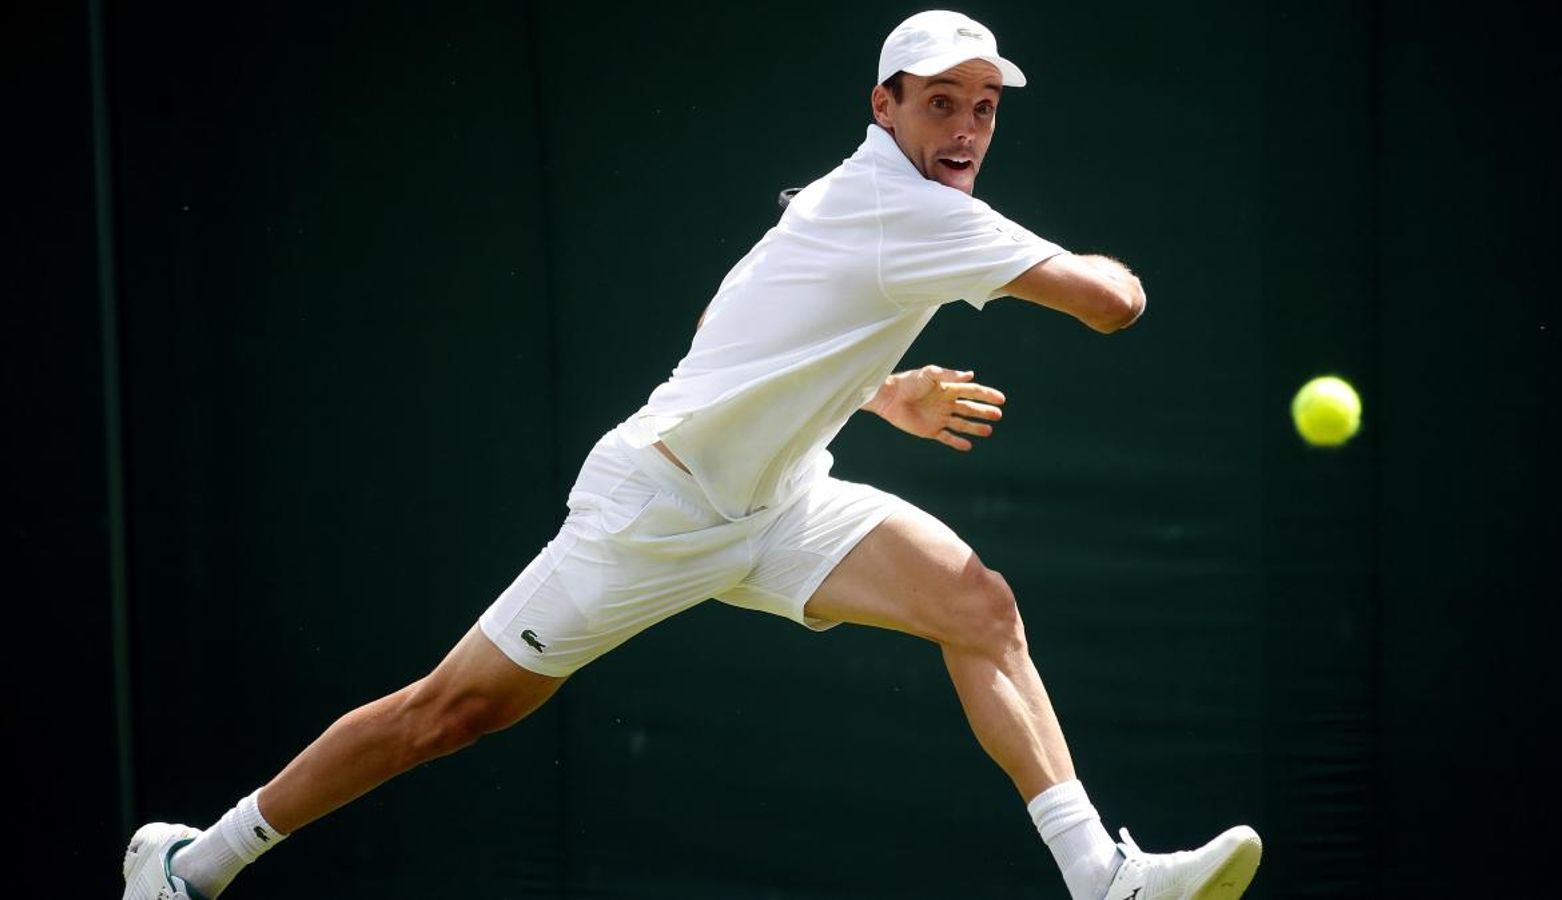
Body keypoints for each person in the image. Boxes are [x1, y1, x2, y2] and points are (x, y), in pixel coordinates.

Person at [121, 10, 1261, 900]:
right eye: (942, 105)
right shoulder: (911, 213)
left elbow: (752, 335)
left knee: (978, 606)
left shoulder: (857, 203)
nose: (966, 129)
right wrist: (1132, 273)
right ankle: (194, 867)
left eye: (985, 108)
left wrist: (875, 392)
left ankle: (1097, 876)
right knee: (450, 714)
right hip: (654, 509)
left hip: (779, 504)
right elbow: (1110, 304)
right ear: (885, 106)